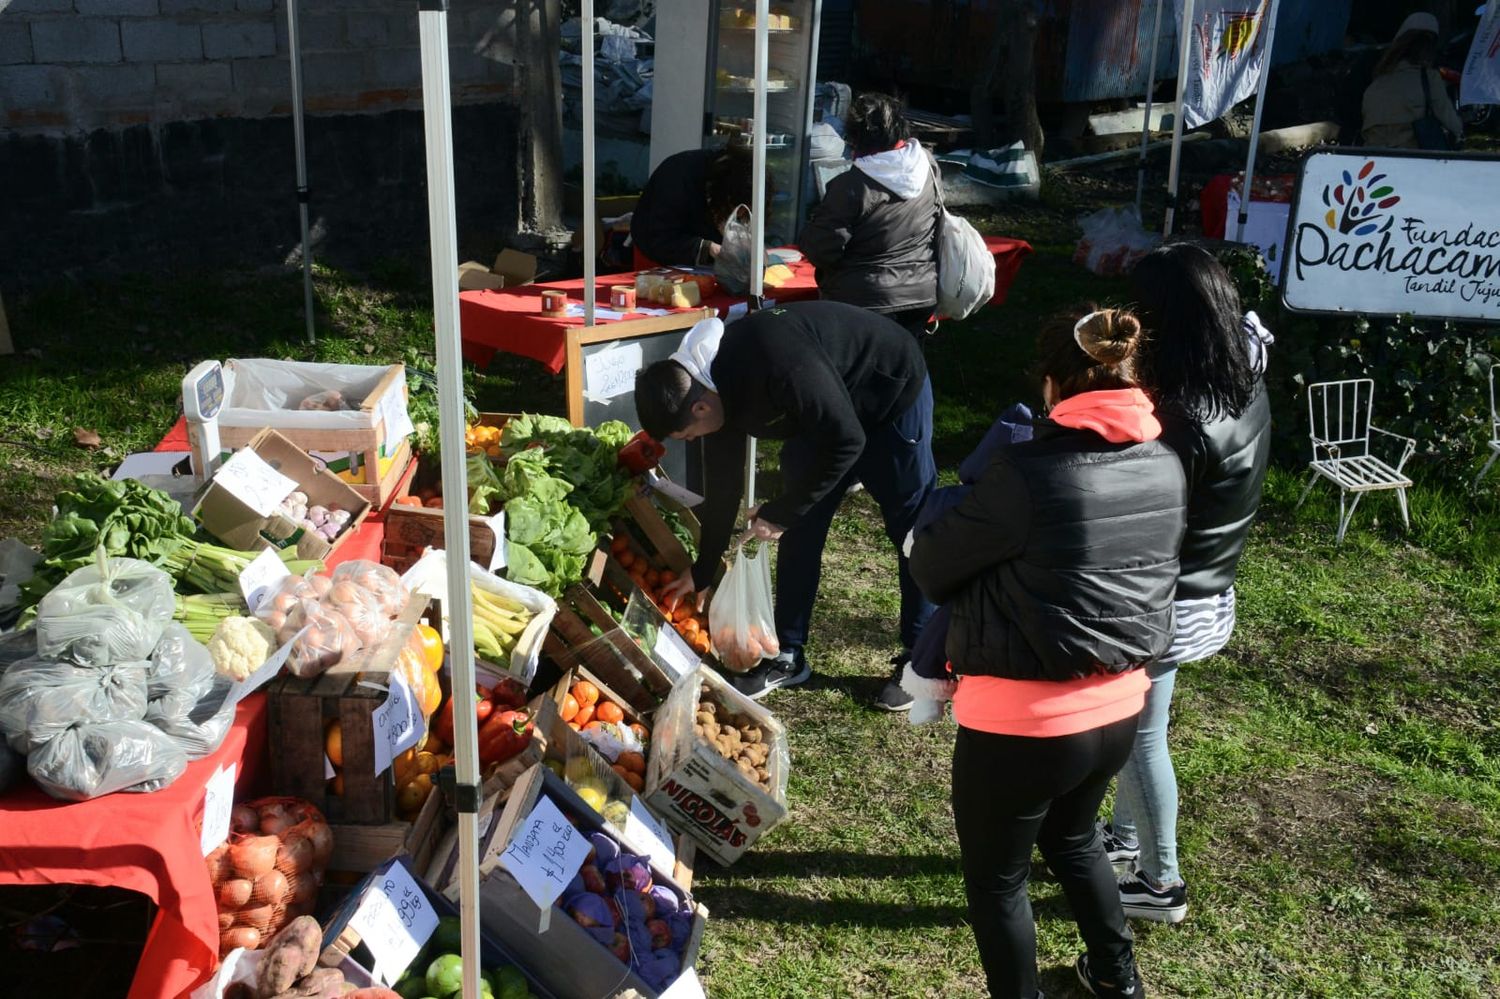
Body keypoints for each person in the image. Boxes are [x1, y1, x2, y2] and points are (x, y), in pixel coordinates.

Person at [905, 308, 1187, 999]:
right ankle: (1117, 980)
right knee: (1075, 839)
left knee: (998, 882)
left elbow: (935, 567)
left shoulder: (1026, 471)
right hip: (1120, 708)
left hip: (1021, 723)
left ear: (1057, 386)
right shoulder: (1166, 462)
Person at [633, 300, 937, 706]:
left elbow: (847, 440)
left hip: (888, 392)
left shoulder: (776, 362)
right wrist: (703, 570)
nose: (690, 442)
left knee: (913, 533)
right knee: (800, 532)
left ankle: (922, 662)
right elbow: (724, 490)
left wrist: (784, 510)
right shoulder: (711, 391)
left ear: (701, 407)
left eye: (686, 435)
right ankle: (788, 654)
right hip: (822, 411)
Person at [1101, 244, 1272, 925]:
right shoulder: (1245, 377)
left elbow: (1142, 508)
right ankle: (1126, 837)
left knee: (1140, 735)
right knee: (1144, 725)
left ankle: (1161, 882)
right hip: (1209, 588)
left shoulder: (1184, 418)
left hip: (1169, 598)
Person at [799, 92, 940, 336]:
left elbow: (821, 249)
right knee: (906, 364)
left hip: (864, 302)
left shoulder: (851, 186)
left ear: (854, 138)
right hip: (922, 292)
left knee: (858, 369)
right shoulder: (927, 164)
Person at [631, 146, 756, 268]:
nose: (737, 217)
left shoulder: (743, 179)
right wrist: (707, 248)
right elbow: (659, 239)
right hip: (655, 259)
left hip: (706, 266)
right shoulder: (676, 176)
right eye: (733, 211)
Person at [1361, 12, 1463, 149]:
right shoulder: (1429, 78)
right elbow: (1453, 123)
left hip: (1375, 159)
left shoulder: (1377, 82)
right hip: (1412, 159)